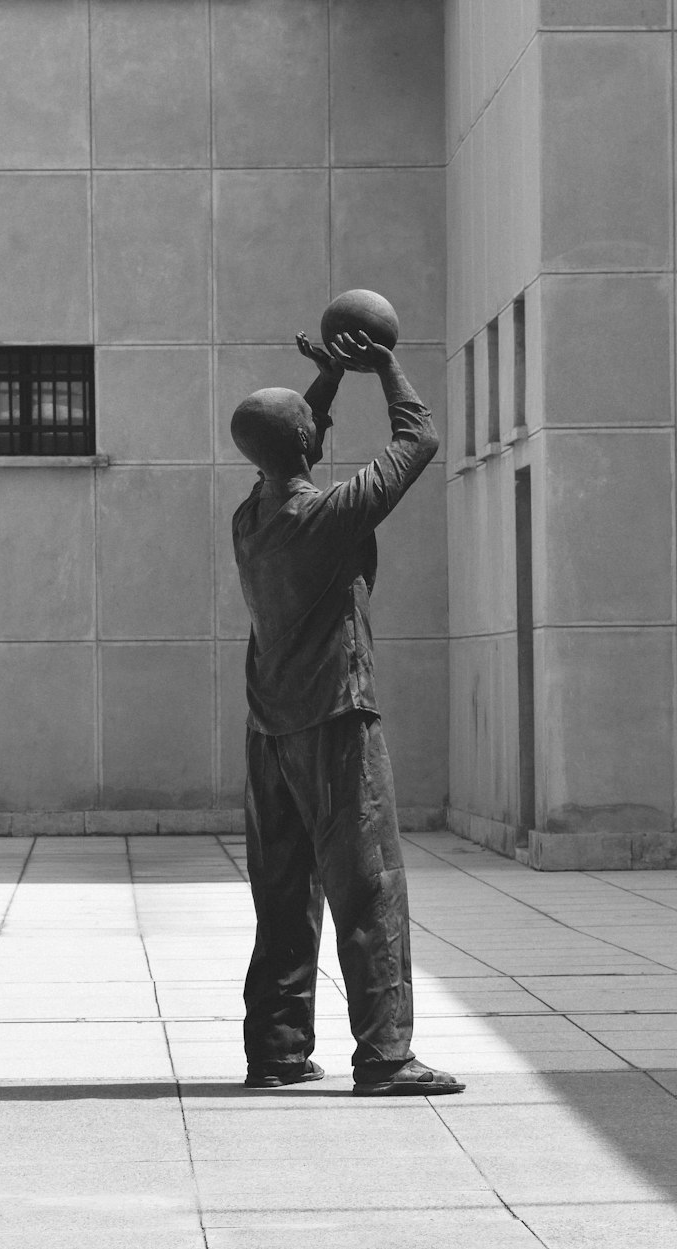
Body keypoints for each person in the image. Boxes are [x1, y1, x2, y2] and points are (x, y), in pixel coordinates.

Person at [229, 328, 464, 1097]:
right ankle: (386, 1057)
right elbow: (419, 437)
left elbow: (294, 444)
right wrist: (383, 364)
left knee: (284, 894)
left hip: (270, 731)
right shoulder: (327, 519)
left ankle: (278, 1049)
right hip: (333, 720)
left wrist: (326, 378)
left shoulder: (252, 519)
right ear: (306, 443)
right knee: (370, 888)